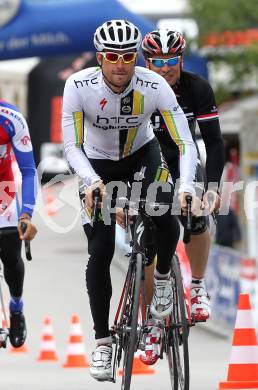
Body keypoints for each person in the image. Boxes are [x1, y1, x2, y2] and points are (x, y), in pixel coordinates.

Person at [62, 20, 199, 381]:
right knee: (101, 248)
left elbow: (184, 141)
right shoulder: (79, 86)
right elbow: (72, 146)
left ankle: (166, 276)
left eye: (127, 55)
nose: (120, 63)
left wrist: (187, 185)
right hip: (96, 166)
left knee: (167, 208)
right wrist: (91, 181)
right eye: (111, 56)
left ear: (136, 56)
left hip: (142, 156)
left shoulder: (152, 84)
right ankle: (103, 343)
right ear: (99, 57)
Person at [137, 29, 225, 364]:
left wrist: (214, 187)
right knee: (148, 247)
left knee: (198, 213)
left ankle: (198, 285)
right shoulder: (137, 90)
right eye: (157, 61)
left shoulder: (196, 88)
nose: (164, 67)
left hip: (185, 160)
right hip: (146, 165)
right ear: (147, 62)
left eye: (171, 60)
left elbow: (214, 143)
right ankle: (153, 323)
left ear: (181, 60)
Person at [0, 100, 37, 347]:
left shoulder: (10, 117)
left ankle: (16, 306)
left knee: (10, 254)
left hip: (3, 189)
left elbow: (29, 171)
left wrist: (26, 215)